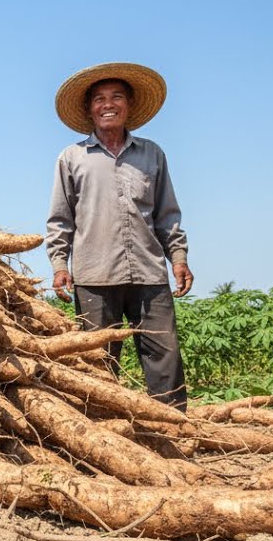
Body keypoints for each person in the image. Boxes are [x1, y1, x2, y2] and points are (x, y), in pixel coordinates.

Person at [45, 62, 192, 410]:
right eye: (99, 99)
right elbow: (60, 219)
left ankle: (174, 427)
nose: (107, 104)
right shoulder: (72, 158)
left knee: (164, 358)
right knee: (97, 363)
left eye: (116, 97)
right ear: (89, 109)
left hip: (149, 273)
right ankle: (103, 428)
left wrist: (179, 258)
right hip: (94, 276)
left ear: (129, 105)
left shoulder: (152, 154)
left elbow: (167, 214)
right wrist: (59, 265)